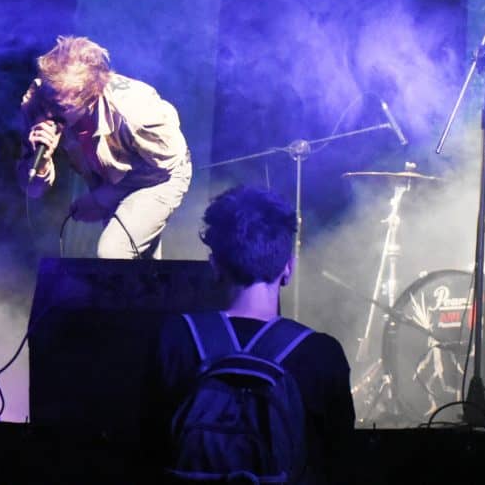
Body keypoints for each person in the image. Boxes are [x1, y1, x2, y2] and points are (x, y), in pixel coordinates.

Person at [145, 185, 354, 483]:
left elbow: (146, 451)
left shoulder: (174, 338)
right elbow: (340, 464)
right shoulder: (322, 353)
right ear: (288, 268)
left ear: (215, 266)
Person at [18, 35, 191, 258]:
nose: (49, 111)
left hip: (161, 173)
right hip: (110, 174)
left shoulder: (137, 112)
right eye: (48, 98)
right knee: (140, 260)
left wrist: (101, 199)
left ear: (91, 98)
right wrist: (39, 162)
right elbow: (32, 190)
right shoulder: (38, 101)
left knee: (113, 251)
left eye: (61, 106)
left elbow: (163, 169)